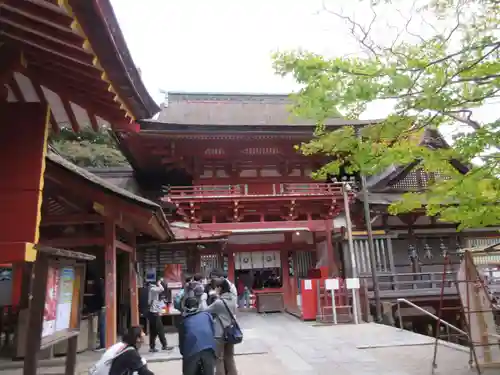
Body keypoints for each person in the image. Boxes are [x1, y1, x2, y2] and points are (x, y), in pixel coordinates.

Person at [206, 279, 239, 375]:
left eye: (216, 287)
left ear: (220, 288)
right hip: (231, 332)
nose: (215, 289)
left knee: (219, 358)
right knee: (229, 357)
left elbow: (206, 310)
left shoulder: (218, 303)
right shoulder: (233, 299)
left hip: (220, 333)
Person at [178, 297, 216, 375]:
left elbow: (182, 342)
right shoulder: (207, 315)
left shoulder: (184, 322)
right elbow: (213, 331)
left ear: (185, 307)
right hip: (209, 348)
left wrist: (184, 354)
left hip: (191, 350)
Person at [148, 279, 172, 352]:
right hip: (154, 313)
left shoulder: (153, 289)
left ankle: (152, 347)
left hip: (154, 312)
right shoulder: (153, 288)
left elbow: (160, 301)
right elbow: (161, 289)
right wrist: (159, 283)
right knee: (160, 330)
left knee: (154, 331)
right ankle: (164, 345)